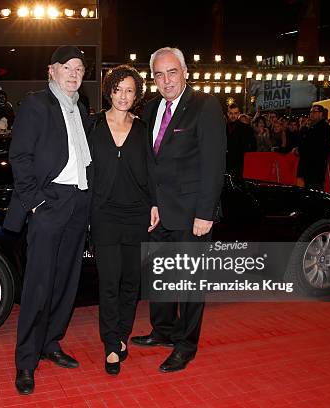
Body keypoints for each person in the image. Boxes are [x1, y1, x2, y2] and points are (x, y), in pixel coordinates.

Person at [130, 47, 226, 373]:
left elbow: (214, 163)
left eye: (172, 72)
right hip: (160, 213)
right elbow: (151, 163)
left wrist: (205, 212)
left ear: (185, 72)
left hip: (191, 214)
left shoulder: (205, 105)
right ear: (153, 78)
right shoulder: (151, 108)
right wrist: (151, 203)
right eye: (159, 74)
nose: (166, 80)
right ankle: (162, 331)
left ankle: (186, 345)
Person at [3, 45, 92, 395]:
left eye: (80, 69)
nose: (74, 73)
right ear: (52, 70)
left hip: (78, 202)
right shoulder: (37, 104)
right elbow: (19, 156)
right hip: (50, 202)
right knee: (38, 284)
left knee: (66, 282)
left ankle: (51, 343)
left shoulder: (81, 109)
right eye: (67, 67)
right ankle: (26, 361)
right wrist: (37, 203)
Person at [89, 65, 159, 375]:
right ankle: (110, 344)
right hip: (104, 214)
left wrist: (155, 203)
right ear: (109, 91)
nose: (123, 95)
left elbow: (153, 170)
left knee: (131, 282)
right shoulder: (92, 126)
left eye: (130, 90)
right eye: (118, 89)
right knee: (109, 282)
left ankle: (122, 335)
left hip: (136, 214)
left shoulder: (143, 129)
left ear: (137, 95)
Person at [296, 104, 330, 190]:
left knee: (315, 191)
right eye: (311, 112)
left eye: (314, 112)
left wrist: (302, 149)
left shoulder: (324, 127)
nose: (311, 114)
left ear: (321, 113)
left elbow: (319, 147)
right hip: (307, 166)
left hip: (315, 167)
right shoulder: (311, 127)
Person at [225, 103, 255, 178]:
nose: (233, 116)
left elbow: (251, 146)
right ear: (228, 114)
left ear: (239, 113)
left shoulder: (246, 128)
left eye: (235, 113)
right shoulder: (222, 127)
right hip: (225, 162)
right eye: (231, 113)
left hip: (239, 163)